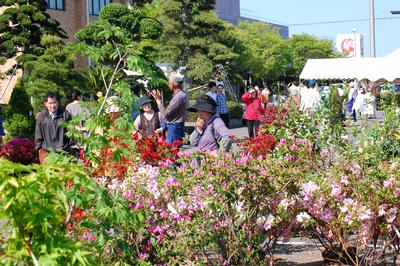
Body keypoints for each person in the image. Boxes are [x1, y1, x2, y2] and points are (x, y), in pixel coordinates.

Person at [35, 92, 72, 164]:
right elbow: (38, 133)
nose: (52, 105)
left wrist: (70, 146)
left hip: (63, 151)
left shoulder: (65, 114)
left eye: (54, 102)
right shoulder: (41, 116)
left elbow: (71, 132)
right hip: (47, 151)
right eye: (50, 103)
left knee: (63, 174)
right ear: (46, 104)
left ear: (58, 102)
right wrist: (38, 148)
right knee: (49, 173)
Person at [151, 73, 188, 145]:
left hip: (174, 128)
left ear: (173, 84)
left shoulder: (178, 97)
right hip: (177, 127)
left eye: (169, 82)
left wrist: (158, 101)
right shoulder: (183, 94)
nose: (168, 84)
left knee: (171, 152)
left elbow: (165, 114)